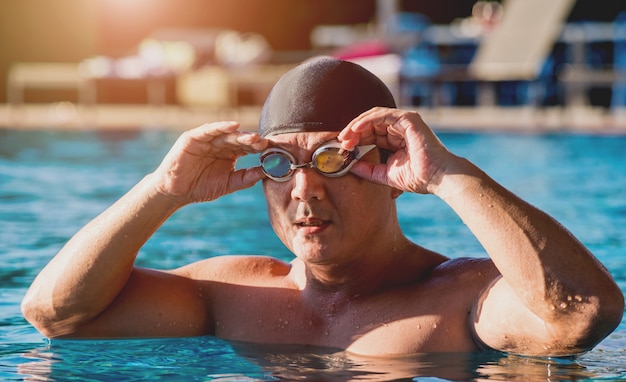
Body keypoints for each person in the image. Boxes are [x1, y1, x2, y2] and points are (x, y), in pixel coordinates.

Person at [22, 56, 623, 357]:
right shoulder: (230, 296)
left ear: (392, 171)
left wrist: (447, 175)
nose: (304, 190)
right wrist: (162, 190)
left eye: (334, 159)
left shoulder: (462, 300)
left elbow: (581, 315)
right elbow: (55, 315)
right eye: (280, 165)